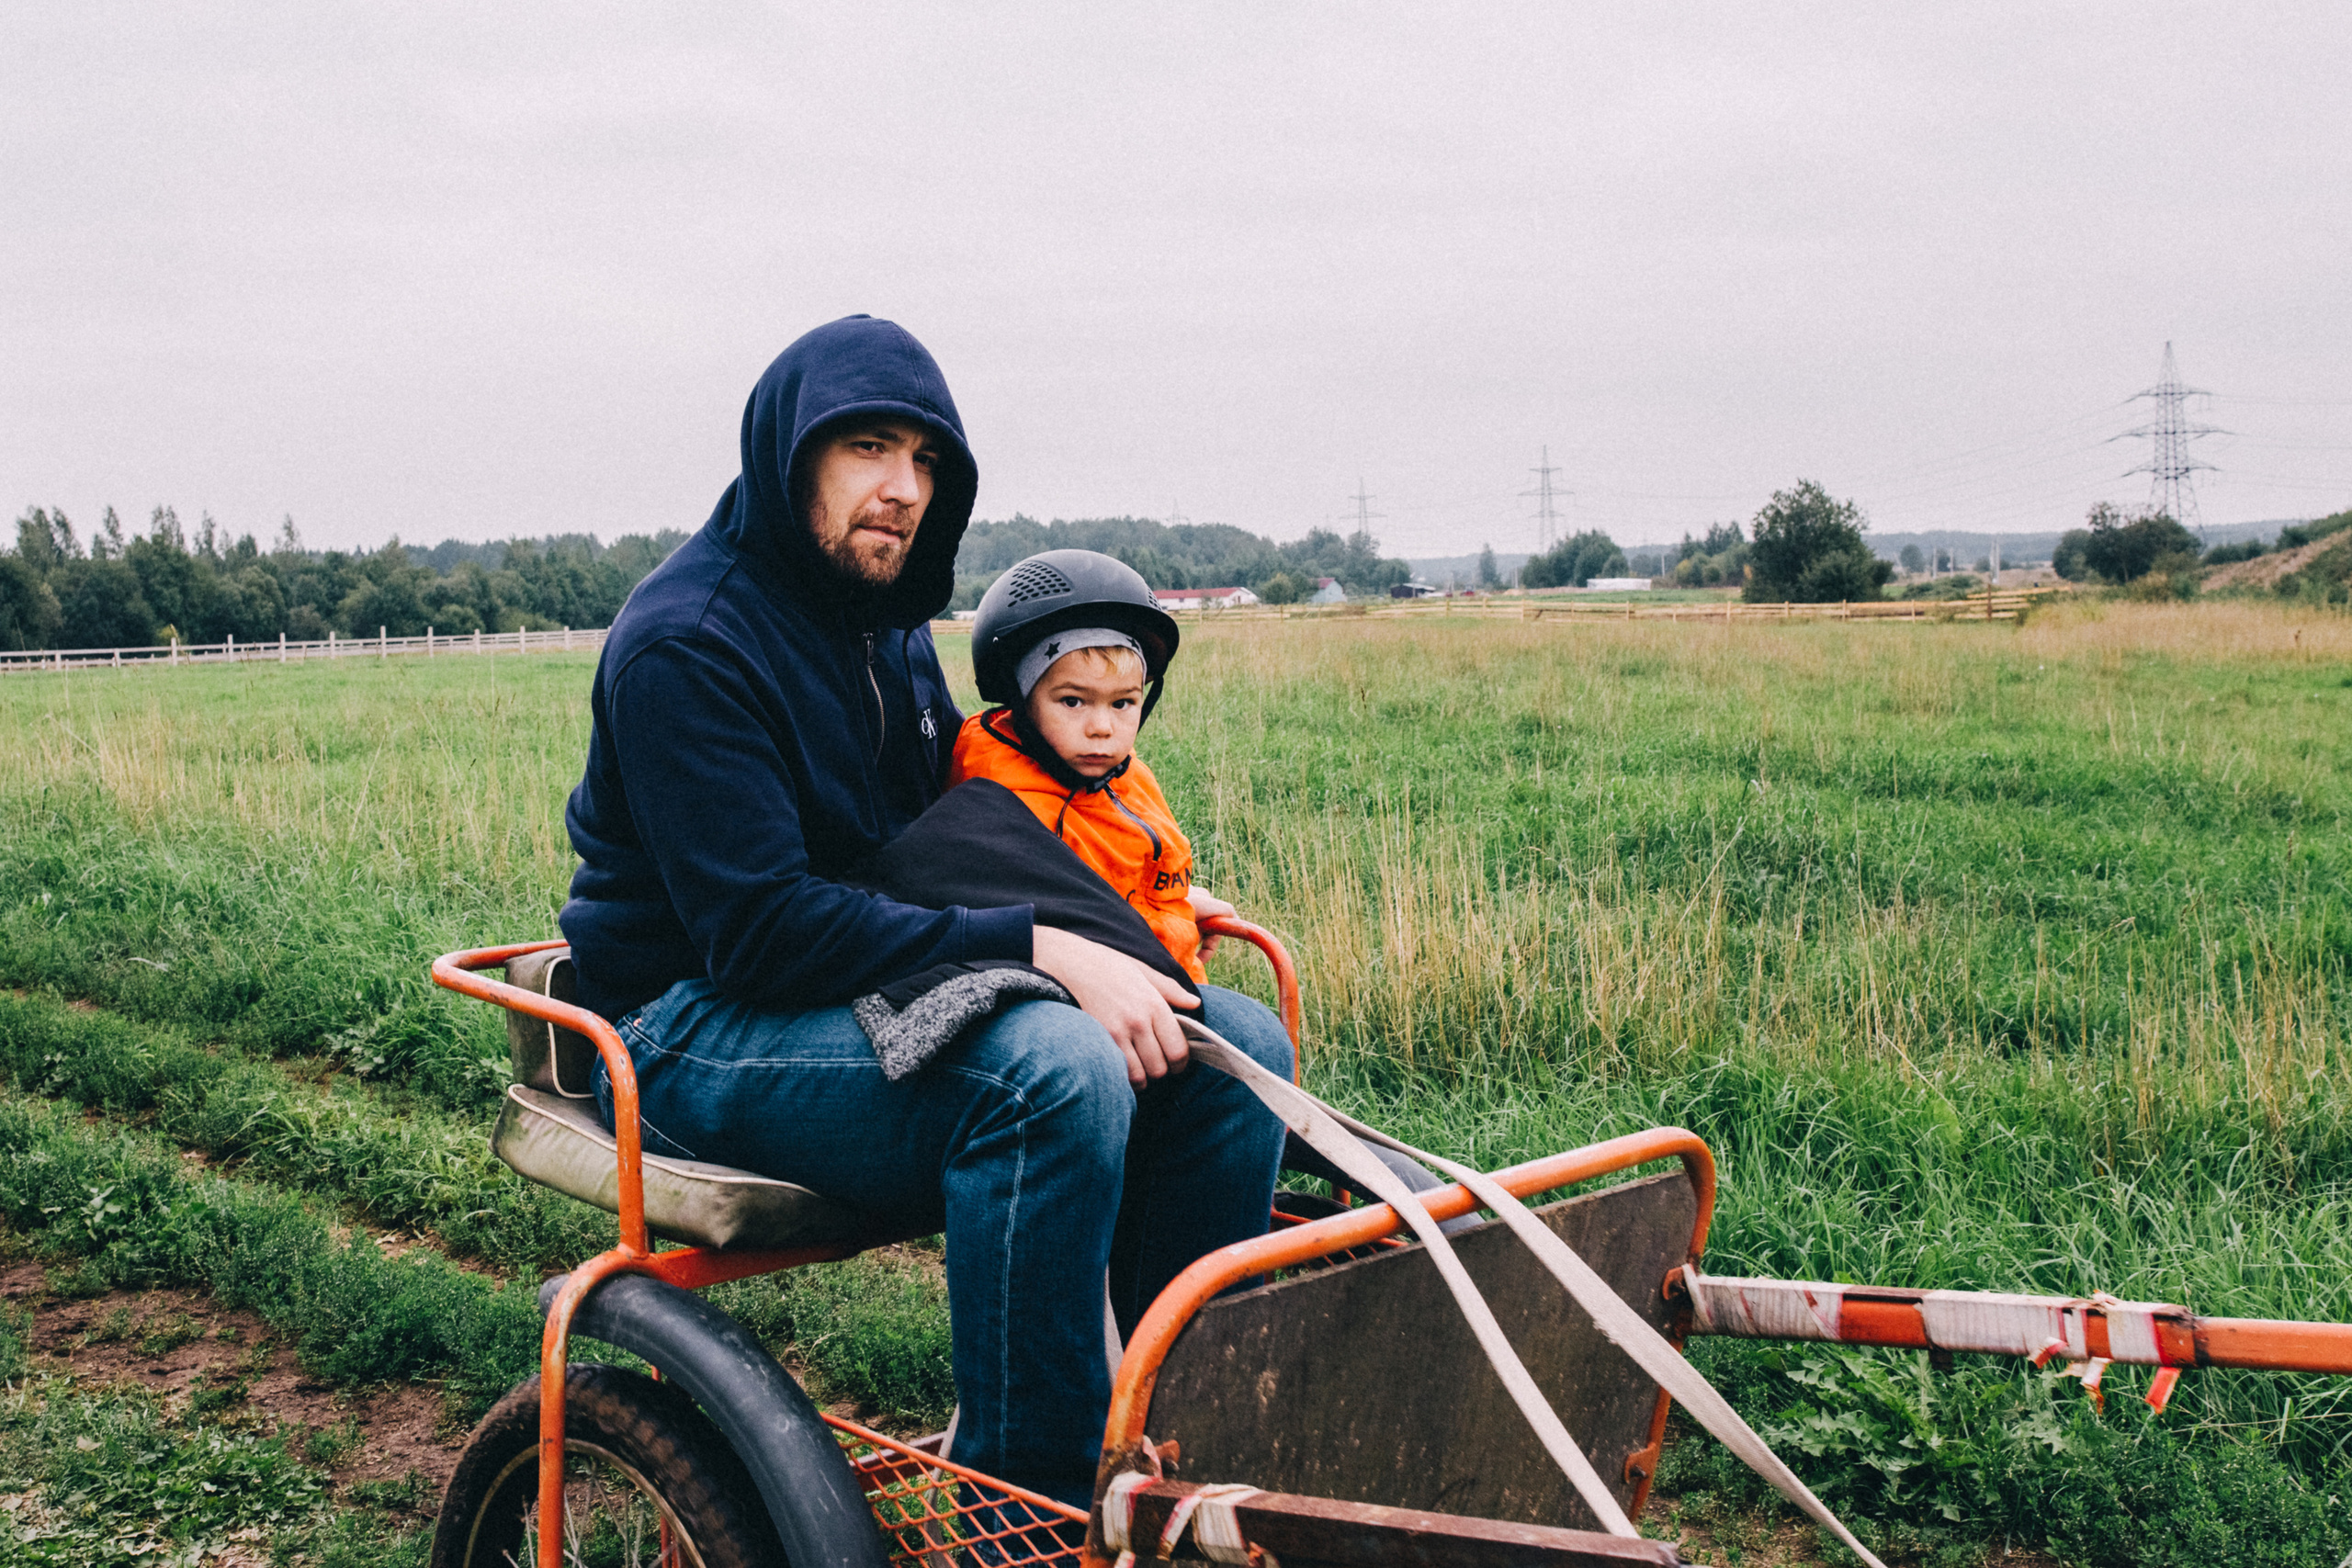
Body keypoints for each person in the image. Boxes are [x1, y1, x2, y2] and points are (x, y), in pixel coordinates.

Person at [557, 316, 1293, 1510]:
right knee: (1048, 1074)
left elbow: (949, 825)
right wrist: (1042, 942)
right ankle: (1028, 1503)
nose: (902, 486)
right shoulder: (689, 646)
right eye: (867, 447)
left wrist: (1107, 894)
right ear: (787, 453)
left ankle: (1170, 1458)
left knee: (1235, 1043)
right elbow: (763, 934)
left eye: (927, 458)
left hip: (852, 975)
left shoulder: (882, 616)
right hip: (685, 1022)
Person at [949, 551, 1234, 993]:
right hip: (1087, 996)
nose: (1102, 727)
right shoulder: (1004, 799)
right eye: (1073, 701)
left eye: (1122, 703)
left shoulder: (1125, 774)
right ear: (1021, 701)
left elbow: (1122, 880)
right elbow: (1060, 920)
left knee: (1260, 1029)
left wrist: (1174, 906)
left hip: (1167, 979)